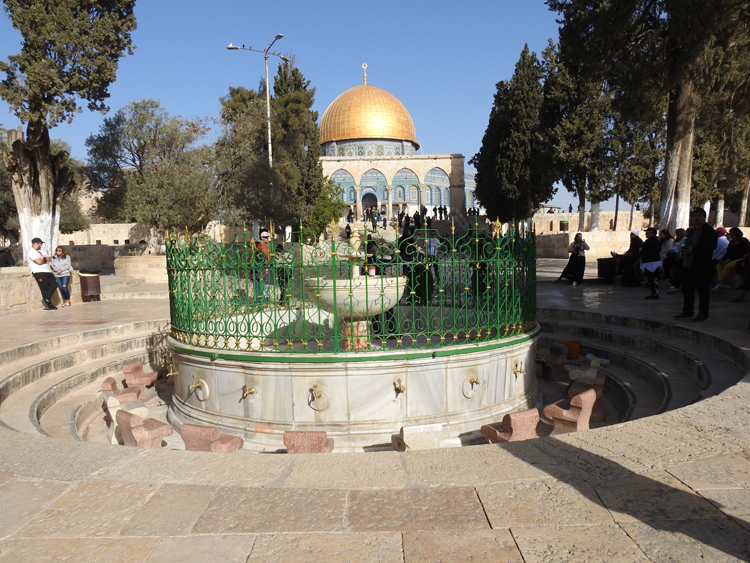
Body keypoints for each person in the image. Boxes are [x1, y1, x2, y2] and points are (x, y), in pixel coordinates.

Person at [675, 208, 716, 322]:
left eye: (699, 216)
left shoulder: (709, 231)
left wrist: (694, 250)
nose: (696, 218)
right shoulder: (692, 231)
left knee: (702, 291)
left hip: (701, 265)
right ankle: (687, 311)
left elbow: (711, 246)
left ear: (704, 217)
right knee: (687, 289)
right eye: (694, 216)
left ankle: (703, 313)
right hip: (688, 265)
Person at [27, 237, 57, 310]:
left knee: (54, 284)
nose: (41, 245)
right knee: (44, 288)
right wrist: (43, 259)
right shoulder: (31, 251)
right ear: (37, 243)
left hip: (47, 271)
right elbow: (39, 262)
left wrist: (43, 260)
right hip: (38, 272)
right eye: (40, 243)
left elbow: (49, 259)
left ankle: (46, 299)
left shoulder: (41, 251)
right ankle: (48, 304)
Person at [640, 228, 662, 299]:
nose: (646, 234)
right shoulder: (657, 240)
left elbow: (644, 251)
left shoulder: (650, 241)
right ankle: (655, 293)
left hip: (650, 262)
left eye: (647, 232)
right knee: (654, 279)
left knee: (651, 278)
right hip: (655, 261)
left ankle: (654, 293)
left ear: (652, 233)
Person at [666, 228, 686, 294]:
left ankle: (674, 285)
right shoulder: (676, 240)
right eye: (676, 233)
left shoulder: (684, 239)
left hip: (679, 256)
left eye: (679, 233)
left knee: (677, 270)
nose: (677, 234)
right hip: (674, 255)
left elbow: (680, 248)